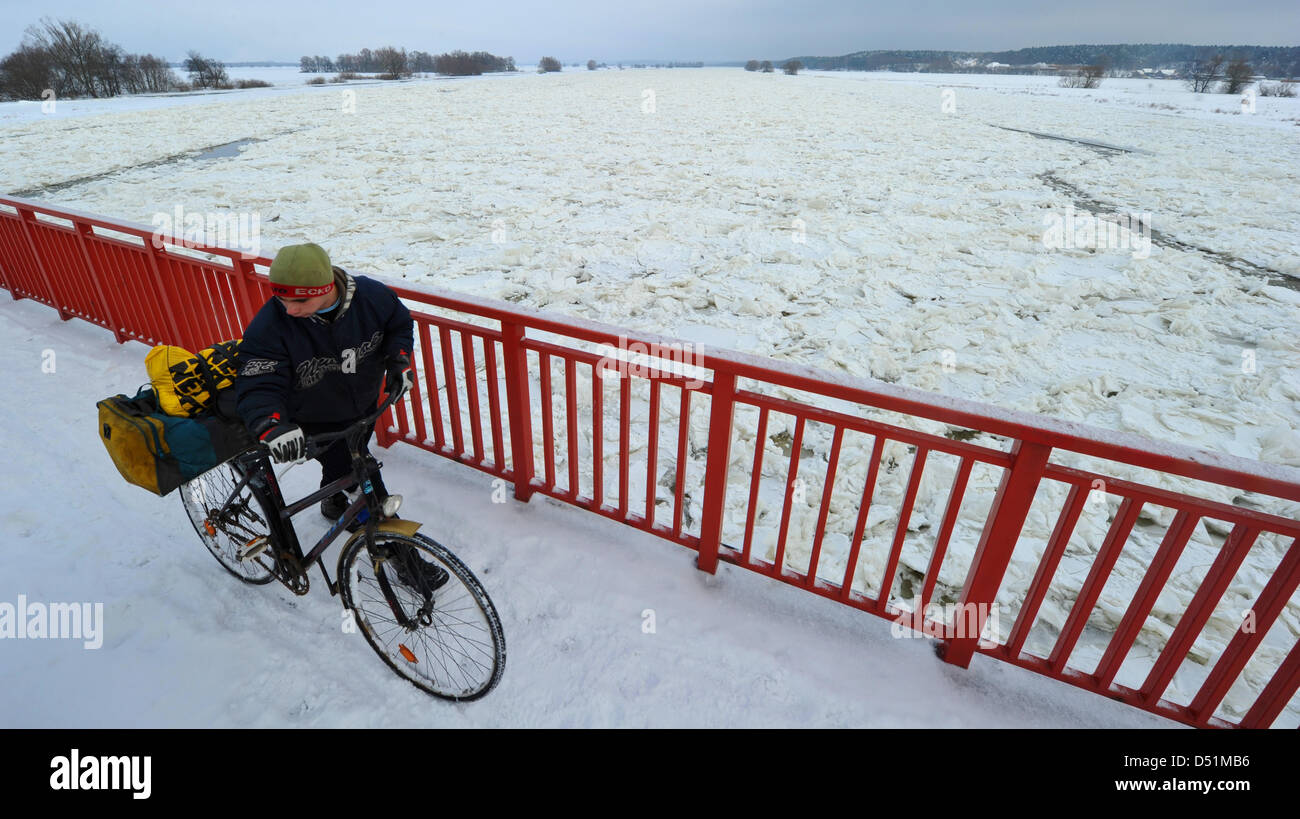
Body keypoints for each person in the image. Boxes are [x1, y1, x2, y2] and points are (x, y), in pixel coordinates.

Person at [234, 243, 444, 589]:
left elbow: (399, 324)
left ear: (326, 288)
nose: (289, 310)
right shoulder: (271, 325)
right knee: (365, 482)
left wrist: (399, 361)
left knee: (346, 467)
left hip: (361, 408)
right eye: (282, 300)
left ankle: (334, 501)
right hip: (313, 420)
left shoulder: (372, 298)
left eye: (300, 301)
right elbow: (259, 379)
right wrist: (271, 424)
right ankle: (404, 559)